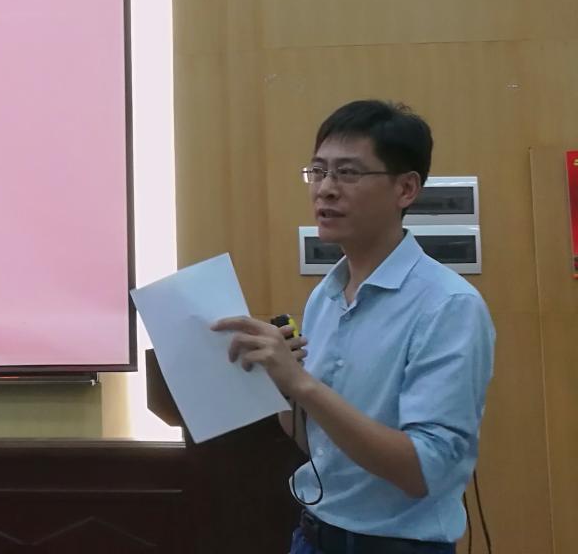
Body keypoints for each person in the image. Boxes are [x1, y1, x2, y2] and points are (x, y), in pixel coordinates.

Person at [212, 100, 495, 554]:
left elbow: (423, 471)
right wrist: (281, 390)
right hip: (313, 534)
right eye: (318, 171)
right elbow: (319, 446)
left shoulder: (449, 305)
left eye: (347, 173)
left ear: (406, 188)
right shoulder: (325, 296)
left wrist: (302, 385)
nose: (325, 189)